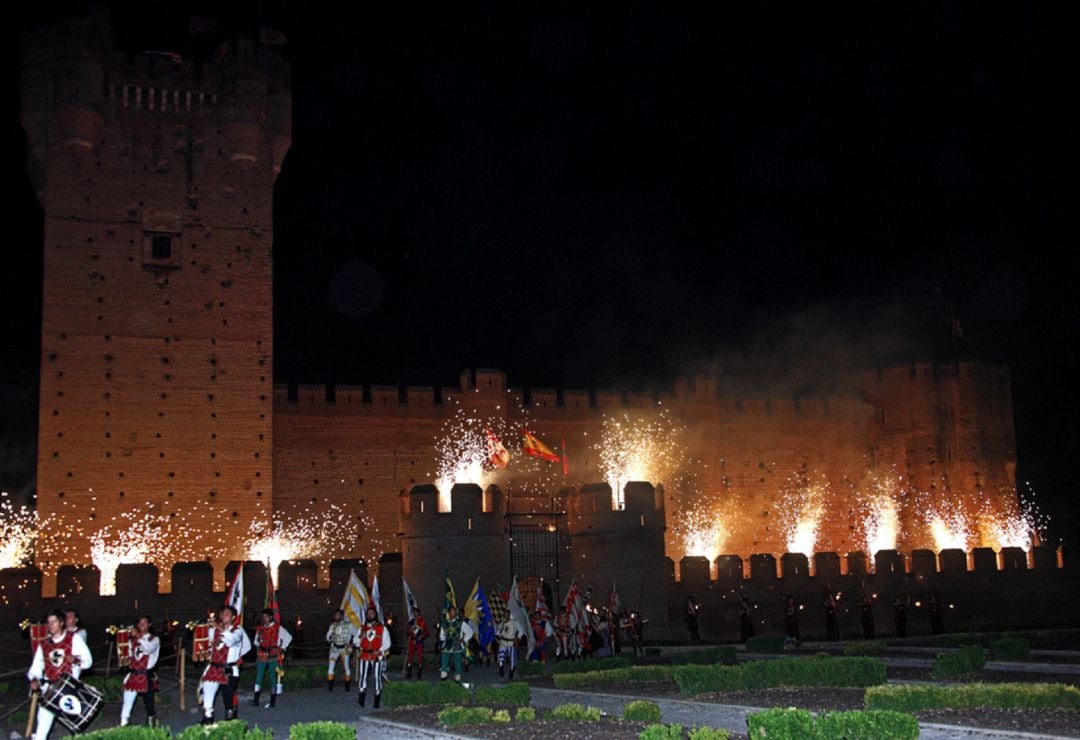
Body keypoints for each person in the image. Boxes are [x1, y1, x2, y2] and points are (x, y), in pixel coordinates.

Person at [27, 609, 93, 740]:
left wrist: (76, 660)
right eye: (48, 622)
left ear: (62, 623)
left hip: (69, 690)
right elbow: (36, 668)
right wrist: (34, 679)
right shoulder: (44, 644)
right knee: (41, 730)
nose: (50, 625)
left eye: (54, 621)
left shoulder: (74, 639)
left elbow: (88, 662)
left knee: (77, 727)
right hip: (50, 691)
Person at [198, 605, 251, 724]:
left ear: (233, 617)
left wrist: (219, 629)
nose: (224, 616)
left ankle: (230, 723)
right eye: (222, 613)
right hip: (213, 667)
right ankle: (208, 721)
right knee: (207, 698)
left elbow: (232, 641)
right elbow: (206, 642)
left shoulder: (237, 630)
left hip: (228, 670)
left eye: (227, 614)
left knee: (228, 699)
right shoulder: (213, 630)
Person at [120, 615, 159, 727]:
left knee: (149, 703)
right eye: (140, 623)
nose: (142, 625)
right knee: (127, 702)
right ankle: (124, 724)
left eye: (145, 623)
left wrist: (138, 637)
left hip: (146, 674)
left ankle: (151, 727)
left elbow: (148, 649)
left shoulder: (154, 639)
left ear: (149, 625)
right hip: (133, 674)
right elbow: (131, 655)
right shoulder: (132, 640)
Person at [252, 608, 292, 708]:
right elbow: (256, 641)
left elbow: (288, 637)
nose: (264, 618)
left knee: (272, 676)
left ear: (270, 617)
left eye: (266, 616)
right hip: (262, 654)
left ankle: (272, 700)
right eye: (263, 617)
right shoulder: (260, 629)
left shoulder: (278, 628)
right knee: (259, 676)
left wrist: (283, 647)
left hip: (273, 654)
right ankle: (256, 699)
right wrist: (259, 645)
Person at [353, 607, 390, 707]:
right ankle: (361, 700)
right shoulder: (362, 628)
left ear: (375, 615)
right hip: (364, 654)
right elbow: (356, 643)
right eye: (368, 614)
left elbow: (387, 643)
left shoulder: (382, 628)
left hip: (376, 655)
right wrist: (361, 636)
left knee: (377, 677)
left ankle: (376, 700)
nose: (370, 615)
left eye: (372, 613)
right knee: (362, 676)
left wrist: (381, 650)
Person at [438, 606, 474, 682]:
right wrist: (444, 636)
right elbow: (441, 636)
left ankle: (457, 681)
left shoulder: (461, 622)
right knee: (444, 663)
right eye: (451, 611)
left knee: (457, 663)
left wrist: (463, 639)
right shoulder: (444, 623)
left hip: (457, 644)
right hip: (447, 645)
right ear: (448, 613)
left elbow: (470, 631)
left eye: (454, 611)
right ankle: (443, 681)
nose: (453, 612)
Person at [325, 609, 353, 692]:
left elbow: (356, 634)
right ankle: (330, 686)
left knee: (346, 667)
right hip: (335, 648)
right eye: (335, 615)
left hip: (344, 649)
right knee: (330, 666)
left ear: (342, 616)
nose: (336, 616)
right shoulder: (333, 625)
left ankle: (347, 685)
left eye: (337, 615)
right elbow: (327, 636)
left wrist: (353, 643)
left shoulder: (349, 625)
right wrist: (329, 639)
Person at [404, 606, 429, 679]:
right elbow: (407, 631)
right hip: (411, 640)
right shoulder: (411, 621)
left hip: (419, 640)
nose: (415, 614)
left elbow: (427, 631)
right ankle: (409, 672)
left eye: (416, 612)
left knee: (419, 656)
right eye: (414, 612)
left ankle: (419, 672)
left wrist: (421, 636)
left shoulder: (422, 621)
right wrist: (410, 631)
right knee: (410, 656)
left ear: (419, 613)